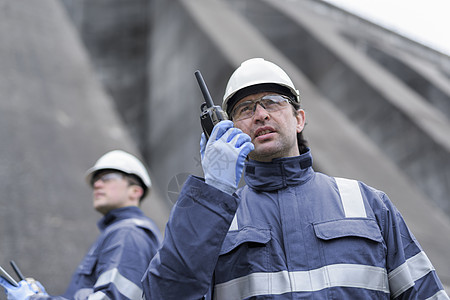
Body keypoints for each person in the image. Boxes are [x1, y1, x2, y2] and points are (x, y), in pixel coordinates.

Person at [141, 58, 449, 299]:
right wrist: (212, 194)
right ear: (228, 129)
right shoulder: (215, 219)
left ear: (299, 119)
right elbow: (166, 293)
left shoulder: (368, 204)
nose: (260, 114)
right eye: (245, 109)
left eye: (272, 102)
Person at [0, 150, 162, 299]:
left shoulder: (128, 233)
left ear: (135, 191)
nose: (97, 185)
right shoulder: (121, 232)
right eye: (95, 181)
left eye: (107, 178)